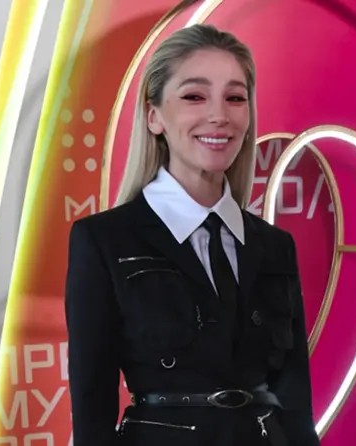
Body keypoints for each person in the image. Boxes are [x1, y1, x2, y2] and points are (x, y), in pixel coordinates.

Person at [65, 24, 319, 446]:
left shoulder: (275, 245)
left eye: (235, 98)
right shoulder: (104, 241)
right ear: (154, 116)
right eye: (194, 96)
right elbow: (92, 411)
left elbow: (295, 405)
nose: (219, 115)